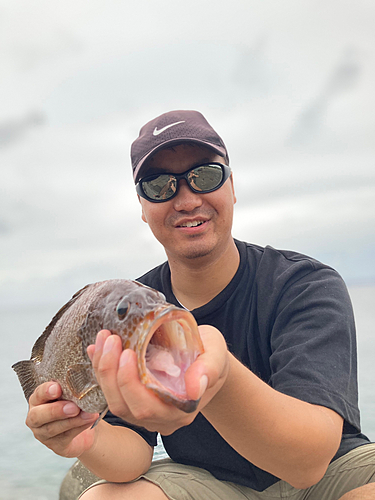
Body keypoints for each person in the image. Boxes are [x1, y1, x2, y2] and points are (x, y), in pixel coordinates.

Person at [26, 110, 375, 500]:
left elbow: (309, 462)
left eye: (205, 175)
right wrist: (82, 435)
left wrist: (218, 376)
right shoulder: (128, 309)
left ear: (231, 187)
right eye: (159, 186)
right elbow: (133, 456)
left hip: (331, 472)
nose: (187, 199)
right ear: (143, 207)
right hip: (210, 481)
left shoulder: (303, 284)